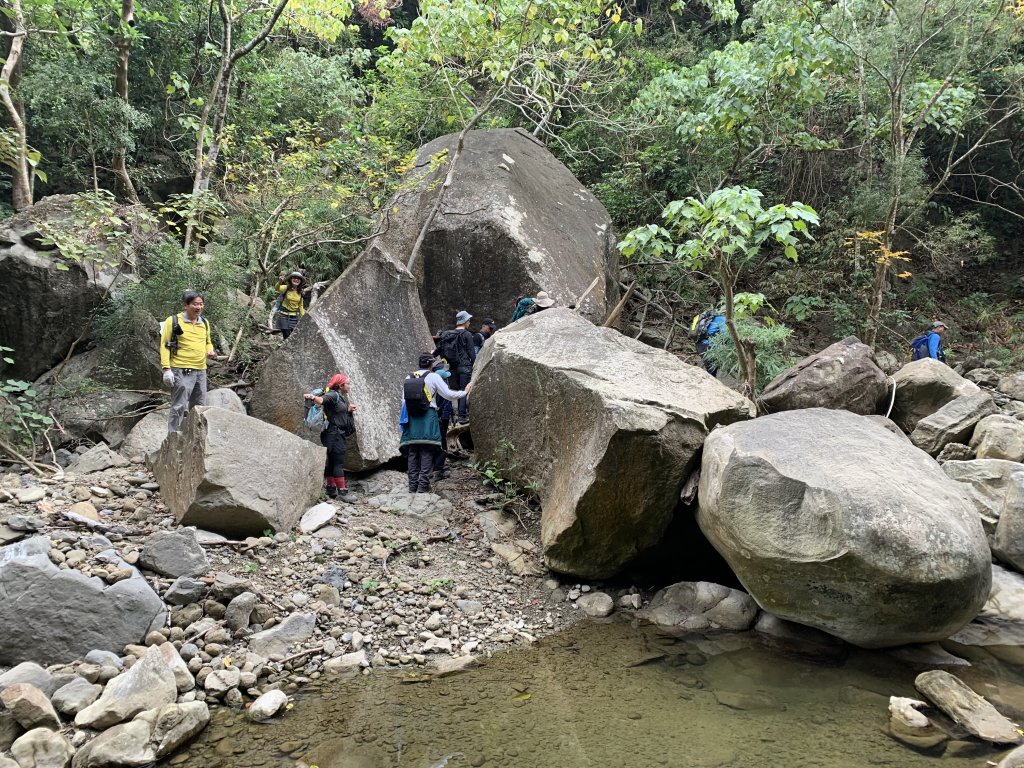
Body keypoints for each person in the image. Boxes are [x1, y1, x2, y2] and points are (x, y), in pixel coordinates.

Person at [400, 353, 470, 493]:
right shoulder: (433, 377)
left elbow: (404, 401)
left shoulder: (409, 377)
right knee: (427, 450)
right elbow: (449, 395)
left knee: (413, 452)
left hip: (412, 418)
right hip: (428, 416)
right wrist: (465, 392)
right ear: (431, 364)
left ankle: (412, 486)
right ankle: (423, 486)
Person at [161, 290, 216, 433]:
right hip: (181, 369)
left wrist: (210, 350)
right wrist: (166, 369)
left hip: (201, 370)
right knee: (178, 406)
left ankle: (194, 437)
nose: (199, 307)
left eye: (201, 304)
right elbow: (165, 345)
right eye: (195, 304)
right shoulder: (173, 321)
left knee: (199, 407)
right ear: (186, 305)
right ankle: (172, 437)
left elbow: (208, 342)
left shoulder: (204, 322)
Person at [304, 374, 357, 503]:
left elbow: (336, 413)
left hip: (333, 433)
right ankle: (342, 492)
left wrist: (348, 410)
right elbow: (321, 400)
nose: (349, 386)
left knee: (332, 461)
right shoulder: (333, 395)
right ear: (340, 385)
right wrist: (313, 397)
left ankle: (331, 488)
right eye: (348, 383)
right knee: (338, 462)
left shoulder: (338, 396)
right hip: (334, 434)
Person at [433, 310, 476, 425]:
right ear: (465, 321)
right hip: (465, 367)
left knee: (456, 391)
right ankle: (462, 416)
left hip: (452, 368)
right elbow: (472, 353)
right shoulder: (467, 334)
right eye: (469, 320)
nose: (469, 322)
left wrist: (431, 357)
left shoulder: (448, 334)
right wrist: (475, 365)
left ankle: (455, 415)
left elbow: (439, 349)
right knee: (464, 390)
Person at [691, 308, 725, 376]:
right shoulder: (722, 319)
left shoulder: (707, 317)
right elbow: (725, 335)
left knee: (711, 369)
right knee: (712, 372)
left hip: (699, 345)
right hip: (709, 347)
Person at [275, 271, 309, 340]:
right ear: (291, 279)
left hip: (295, 317)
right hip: (283, 316)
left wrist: (303, 317)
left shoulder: (300, 292)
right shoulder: (286, 288)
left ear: (300, 281)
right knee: (287, 336)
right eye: (294, 278)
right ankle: (285, 346)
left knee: (294, 336)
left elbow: (300, 306)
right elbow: (277, 288)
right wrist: (280, 282)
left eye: (298, 278)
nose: (296, 279)